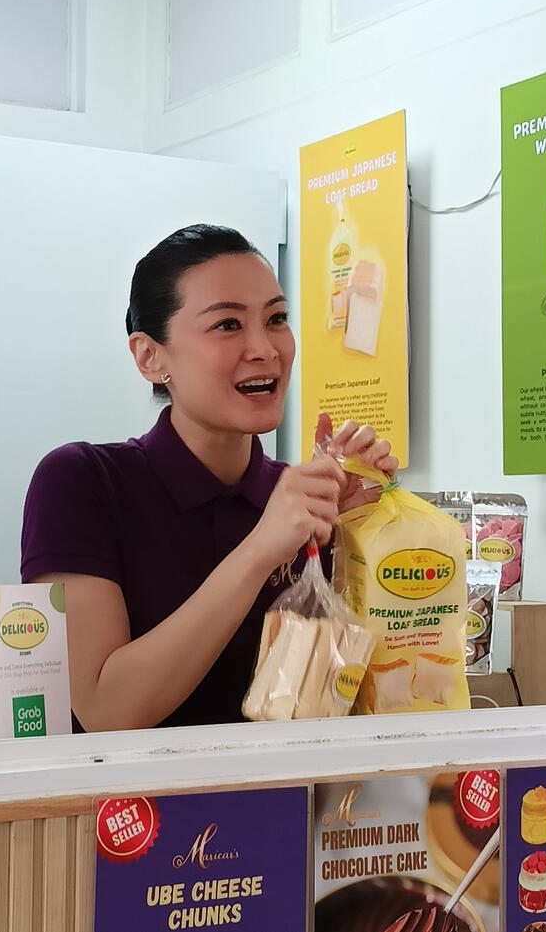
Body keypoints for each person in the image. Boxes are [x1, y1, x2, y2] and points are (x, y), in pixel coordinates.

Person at [21, 224, 397, 731]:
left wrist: (367, 539)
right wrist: (262, 547)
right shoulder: (81, 481)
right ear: (150, 356)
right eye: (227, 324)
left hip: (283, 783)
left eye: (277, 318)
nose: (264, 348)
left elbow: (329, 701)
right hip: (137, 787)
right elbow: (106, 710)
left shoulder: (298, 502)